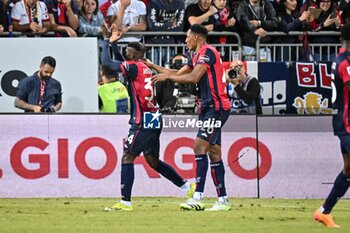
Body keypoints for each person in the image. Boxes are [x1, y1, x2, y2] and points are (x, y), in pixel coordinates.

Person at [101, 26, 195, 211]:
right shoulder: (142, 67)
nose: (126, 51)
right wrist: (115, 45)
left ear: (135, 55)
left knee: (128, 157)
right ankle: (187, 187)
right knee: (152, 161)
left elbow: (107, 64)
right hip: (154, 117)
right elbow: (121, 61)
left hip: (142, 119)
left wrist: (107, 41)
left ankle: (125, 202)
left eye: (128, 50)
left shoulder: (134, 66)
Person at [150, 24, 231, 211]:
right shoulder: (195, 56)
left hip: (216, 107)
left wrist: (167, 78)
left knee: (199, 146)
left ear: (196, 38)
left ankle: (198, 197)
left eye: (187, 37)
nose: (185, 40)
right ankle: (223, 200)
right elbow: (176, 74)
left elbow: (193, 78)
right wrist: (152, 66)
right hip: (207, 108)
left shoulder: (207, 52)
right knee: (214, 152)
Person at [313, 24, 350, 228]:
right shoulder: (344, 63)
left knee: (349, 169)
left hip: (344, 120)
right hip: (347, 122)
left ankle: (324, 212)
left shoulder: (344, 58)